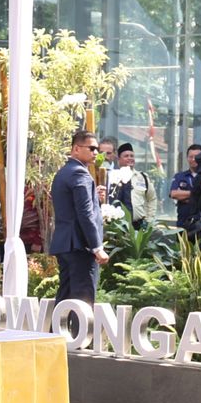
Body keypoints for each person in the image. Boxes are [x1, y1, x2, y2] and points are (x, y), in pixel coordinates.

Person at [51, 130, 108, 304]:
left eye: (97, 149)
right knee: (82, 301)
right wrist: (97, 247)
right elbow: (85, 212)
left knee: (65, 297)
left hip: (66, 244)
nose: (96, 153)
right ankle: (79, 332)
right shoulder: (79, 173)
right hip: (79, 246)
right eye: (91, 148)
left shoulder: (63, 172)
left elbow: (72, 206)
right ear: (76, 148)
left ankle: (56, 332)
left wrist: (94, 198)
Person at [117, 143, 159, 228]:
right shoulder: (113, 177)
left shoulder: (143, 178)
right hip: (118, 226)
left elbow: (152, 199)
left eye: (132, 156)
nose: (130, 158)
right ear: (119, 159)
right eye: (126, 156)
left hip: (139, 226)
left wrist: (149, 220)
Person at [170, 144, 201, 230]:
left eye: (196, 157)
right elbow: (173, 194)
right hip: (183, 223)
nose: (193, 159)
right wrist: (197, 194)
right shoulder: (180, 176)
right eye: (190, 157)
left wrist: (185, 196)